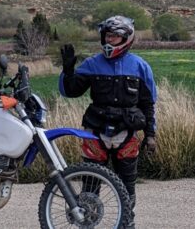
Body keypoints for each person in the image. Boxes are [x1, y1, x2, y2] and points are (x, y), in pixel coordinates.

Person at [58, 15, 157, 227]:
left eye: (115, 36)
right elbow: (70, 91)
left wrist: (150, 135)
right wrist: (67, 71)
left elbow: (148, 105)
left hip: (127, 132)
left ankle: (126, 223)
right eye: (107, 36)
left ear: (127, 38)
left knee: (127, 184)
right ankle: (87, 223)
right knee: (90, 182)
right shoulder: (92, 63)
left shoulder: (141, 66)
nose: (109, 40)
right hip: (95, 130)